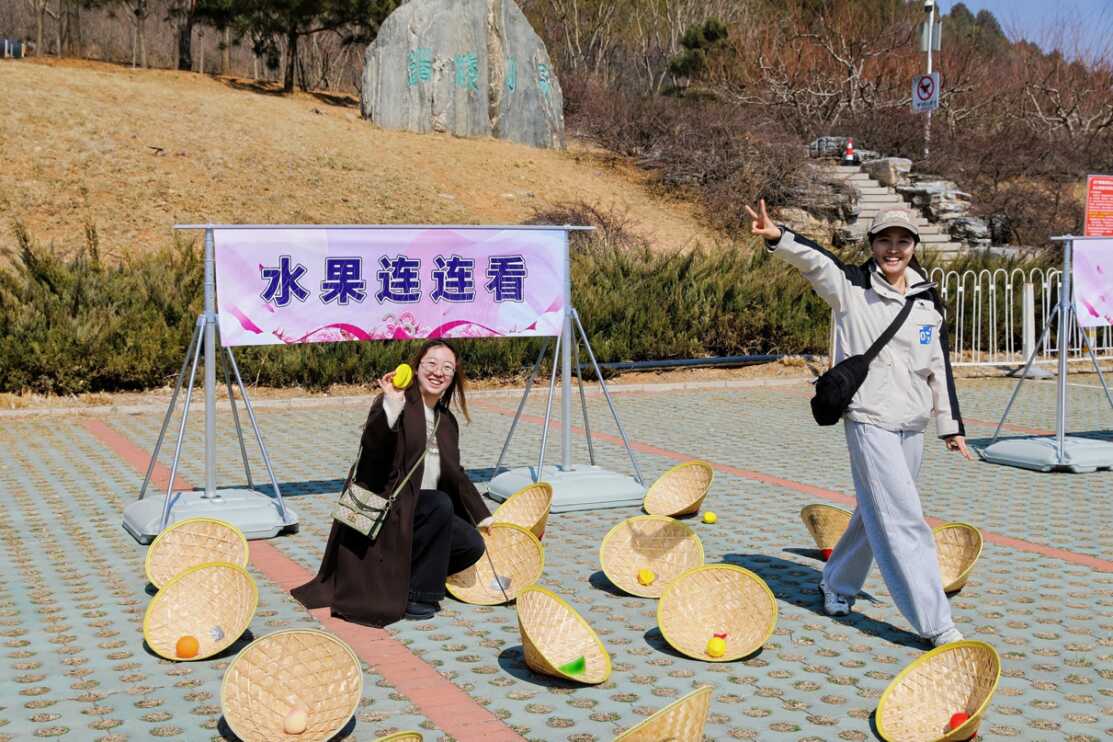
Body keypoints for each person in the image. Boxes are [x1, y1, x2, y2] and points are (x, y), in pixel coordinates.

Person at [746, 201, 973, 647]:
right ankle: (936, 624)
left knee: (876, 511)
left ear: (914, 246)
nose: (894, 249)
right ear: (872, 244)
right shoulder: (851, 286)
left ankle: (837, 582)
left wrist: (950, 426)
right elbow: (816, 262)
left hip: (912, 424)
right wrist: (778, 236)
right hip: (870, 419)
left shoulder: (927, 299)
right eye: (885, 240)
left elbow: (938, 367)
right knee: (903, 518)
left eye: (902, 241)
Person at [292, 340, 493, 624]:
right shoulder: (397, 403)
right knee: (439, 504)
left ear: (453, 377)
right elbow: (374, 446)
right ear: (416, 368)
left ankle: (406, 574)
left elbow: (456, 474)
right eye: (431, 363)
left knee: (470, 543)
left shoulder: (446, 421)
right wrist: (391, 404)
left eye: (447, 367)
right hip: (388, 507)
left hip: (422, 512)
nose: (438, 372)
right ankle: (417, 594)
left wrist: (484, 517)